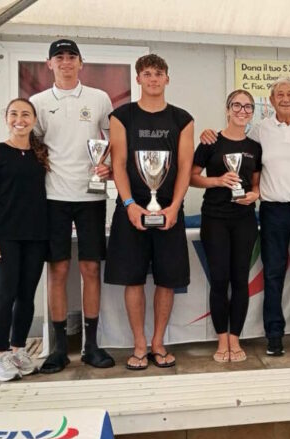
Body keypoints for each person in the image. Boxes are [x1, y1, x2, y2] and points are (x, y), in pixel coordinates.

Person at [0, 39, 115, 373]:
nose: (65, 62)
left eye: (71, 57)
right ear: (49, 64)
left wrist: (107, 165)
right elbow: (22, 143)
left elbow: (111, 141)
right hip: (51, 198)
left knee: (91, 270)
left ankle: (91, 345)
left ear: (82, 63)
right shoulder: (37, 103)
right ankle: (57, 349)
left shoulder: (99, 98)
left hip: (91, 196)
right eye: (59, 58)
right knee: (58, 270)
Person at [201, 77, 290, 356]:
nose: (285, 98)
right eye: (279, 94)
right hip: (273, 210)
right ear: (270, 101)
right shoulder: (260, 130)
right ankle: (274, 335)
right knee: (272, 274)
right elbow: (237, 147)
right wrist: (209, 135)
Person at [105, 53, 194, 370]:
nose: (153, 79)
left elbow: (184, 167)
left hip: (169, 210)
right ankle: (139, 344)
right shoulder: (121, 116)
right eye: (147, 73)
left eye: (159, 73)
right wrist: (129, 205)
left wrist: (174, 206)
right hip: (131, 210)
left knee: (167, 281)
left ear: (167, 79)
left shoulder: (182, 119)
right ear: (138, 79)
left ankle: (158, 342)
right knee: (133, 280)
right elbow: (118, 164)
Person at [0, 98, 49, 381]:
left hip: (35, 235)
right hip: (4, 237)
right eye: (14, 114)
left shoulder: (41, 153)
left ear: (34, 119)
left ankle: (19, 349)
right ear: (6, 118)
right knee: (5, 294)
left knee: (26, 296)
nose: (20, 119)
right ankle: (2, 355)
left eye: (26, 114)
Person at [190, 90, 262, 362]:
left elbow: (256, 184)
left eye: (248, 107)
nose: (242, 111)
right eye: (237, 105)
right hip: (215, 218)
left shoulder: (255, 147)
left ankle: (236, 339)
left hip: (244, 219)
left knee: (240, 280)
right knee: (219, 280)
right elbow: (192, 178)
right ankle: (221, 340)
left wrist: (255, 195)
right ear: (227, 109)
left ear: (252, 112)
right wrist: (218, 181)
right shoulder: (211, 142)